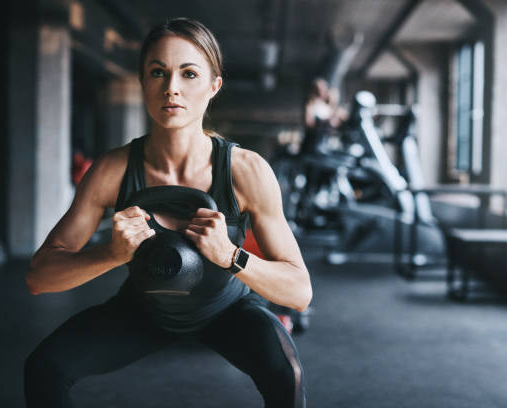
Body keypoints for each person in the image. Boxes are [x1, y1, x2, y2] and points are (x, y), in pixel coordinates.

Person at [24, 17, 311, 408]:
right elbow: (40, 277)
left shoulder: (246, 171)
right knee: (45, 368)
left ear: (214, 86)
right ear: (143, 83)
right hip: (142, 309)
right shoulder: (114, 170)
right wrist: (110, 253)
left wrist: (231, 255)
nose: (171, 88)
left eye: (189, 73)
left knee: (286, 374)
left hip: (228, 309)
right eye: (157, 72)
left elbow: (299, 292)